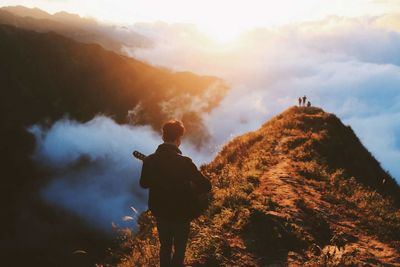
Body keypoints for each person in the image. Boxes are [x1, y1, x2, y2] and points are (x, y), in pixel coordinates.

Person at [139, 120, 212, 267]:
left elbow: (144, 183)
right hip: (181, 214)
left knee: (165, 248)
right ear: (178, 138)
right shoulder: (185, 162)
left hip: (161, 213)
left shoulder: (150, 161)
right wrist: (189, 187)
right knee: (179, 250)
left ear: (163, 137)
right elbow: (206, 185)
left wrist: (149, 169)